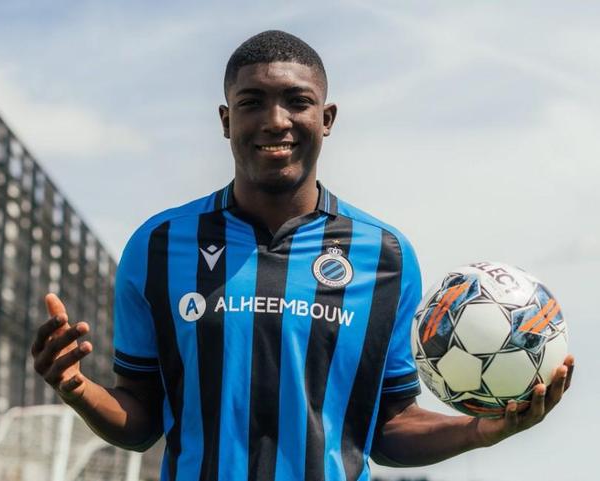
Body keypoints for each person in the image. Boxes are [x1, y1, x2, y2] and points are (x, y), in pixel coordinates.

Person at [31, 30, 574, 481]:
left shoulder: (385, 256)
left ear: (327, 117)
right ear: (225, 119)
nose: (276, 120)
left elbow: (388, 426)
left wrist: (479, 432)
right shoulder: (157, 247)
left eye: (297, 101)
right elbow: (141, 419)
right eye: (252, 102)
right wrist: (77, 389)